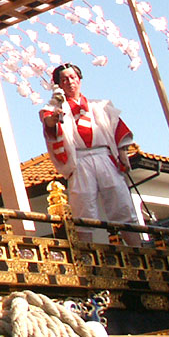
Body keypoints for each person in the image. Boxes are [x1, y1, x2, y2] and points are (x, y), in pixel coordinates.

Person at [40, 62, 141, 245]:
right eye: (64, 79)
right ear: (59, 84)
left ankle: (138, 250)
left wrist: (123, 155)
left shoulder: (101, 106)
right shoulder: (55, 108)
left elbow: (118, 129)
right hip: (79, 159)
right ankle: (86, 255)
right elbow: (48, 123)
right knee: (83, 206)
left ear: (79, 79)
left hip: (104, 156)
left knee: (121, 202)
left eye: (72, 77)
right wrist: (54, 117)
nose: (69, 82)